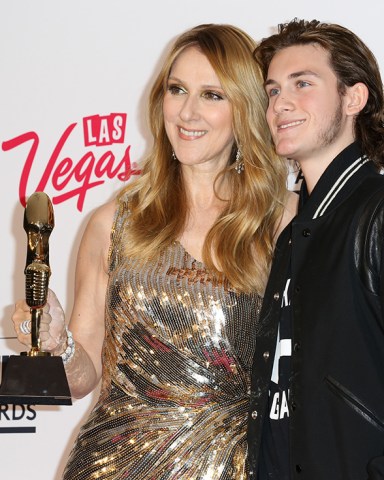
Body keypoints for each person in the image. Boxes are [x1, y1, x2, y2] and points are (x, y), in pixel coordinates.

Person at [12, 24, 296, 479]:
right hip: (110, 465)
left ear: (245, 108)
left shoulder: (283, 223)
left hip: (230, 468)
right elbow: (80, 380)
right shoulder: (114, 223)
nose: (187, 112)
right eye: (177, 89)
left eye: (212, 95)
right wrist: (58, 344)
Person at [247, 18, 384, 480]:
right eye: (272, 91)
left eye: (302, 84)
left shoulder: (375, 212)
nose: (280, 103)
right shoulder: (296, 229)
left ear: (353, 98)